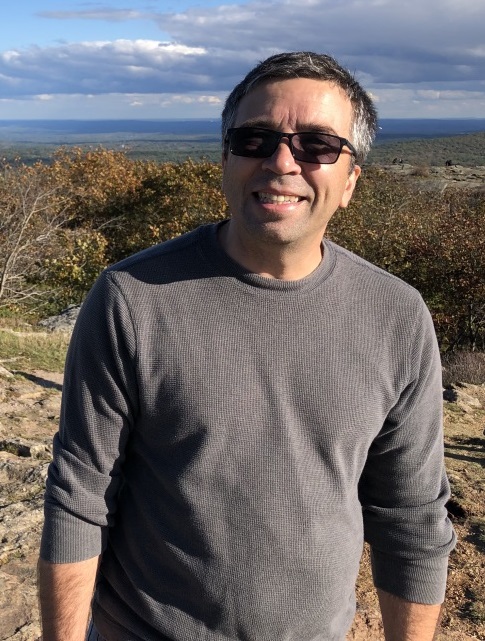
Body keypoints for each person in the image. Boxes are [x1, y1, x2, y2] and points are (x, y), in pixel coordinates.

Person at [38, 51, 456, 641]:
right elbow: (79, 495)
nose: (282, 161)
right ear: (227, 161)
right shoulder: (131, 298)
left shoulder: (396, 315)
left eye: (317, 145)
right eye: (255, 139)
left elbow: (411, 518)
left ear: (351, 181)